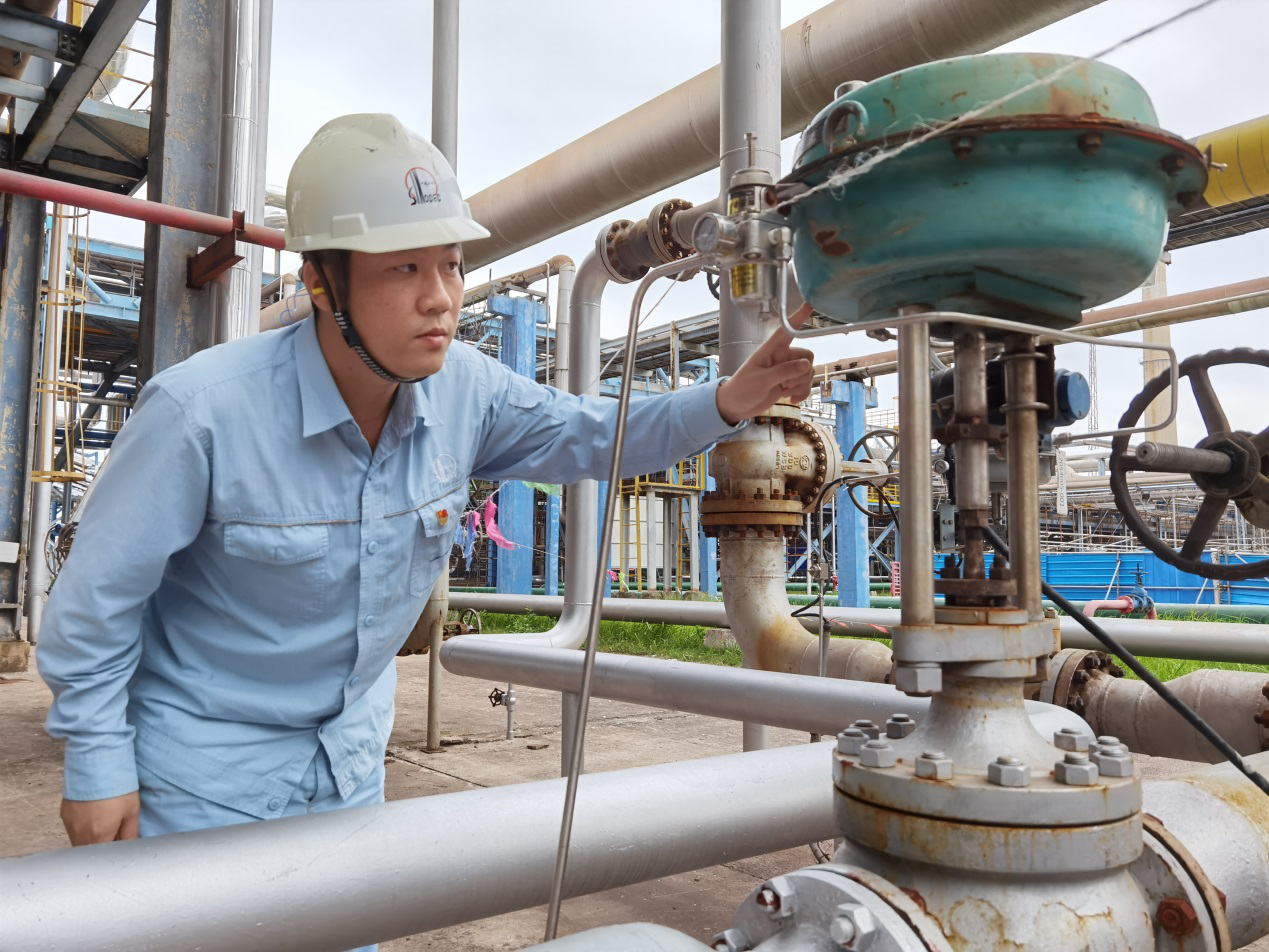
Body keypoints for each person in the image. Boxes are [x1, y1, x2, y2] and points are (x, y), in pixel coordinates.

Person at [40, 115, 813, 867]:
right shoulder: (199, 413)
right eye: (404, 268)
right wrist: (98, 764)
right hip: (201, 783)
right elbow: (96, 604)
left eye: (450, 264)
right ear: (319, 281)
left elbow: (589, 432)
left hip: (349, 773)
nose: (440, 296)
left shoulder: (465, 391)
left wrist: (725, 402)